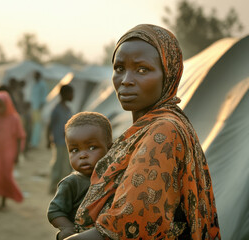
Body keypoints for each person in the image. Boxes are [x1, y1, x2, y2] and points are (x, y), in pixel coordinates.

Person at [66, 24, 221, 239]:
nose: (126, 80)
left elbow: (126, 227)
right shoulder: (150, 126)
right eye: (119, 68)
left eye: (142, 70)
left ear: (169, 74)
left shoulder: (164, 130)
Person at [48, 112, 113, 240]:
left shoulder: (113, 176)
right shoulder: (71, 183)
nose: (82, 155)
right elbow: (54, 211)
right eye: (74, 150)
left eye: (92, 147)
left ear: (110, 149)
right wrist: (67, 228)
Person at [0, 91, 26, 210]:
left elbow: (19, 137)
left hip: (9, 152)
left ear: (7, 104)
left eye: (1, 105)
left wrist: (17, 154)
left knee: (5, 176)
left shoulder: (14, 119)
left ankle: (3, 200)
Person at [47, 85, 74, 194]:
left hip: (67, 142)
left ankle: (62, 188)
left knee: (66, 165)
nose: (73, 96)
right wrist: (48, 139)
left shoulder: (68, 109)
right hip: (58, 141)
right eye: (71, 93)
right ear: (65, 94)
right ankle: (53, 186)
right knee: (57, 164)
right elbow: (50, 125)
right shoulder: (57, 109)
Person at [30, 71, 48, 148]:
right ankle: (32, 142)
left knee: (37, 125)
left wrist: (40, 108)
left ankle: (35, 143)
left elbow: (43, 98)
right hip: (33, 108)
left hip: (38, 109)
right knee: (33, 125)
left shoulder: (42, 85)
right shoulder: (34, 84)